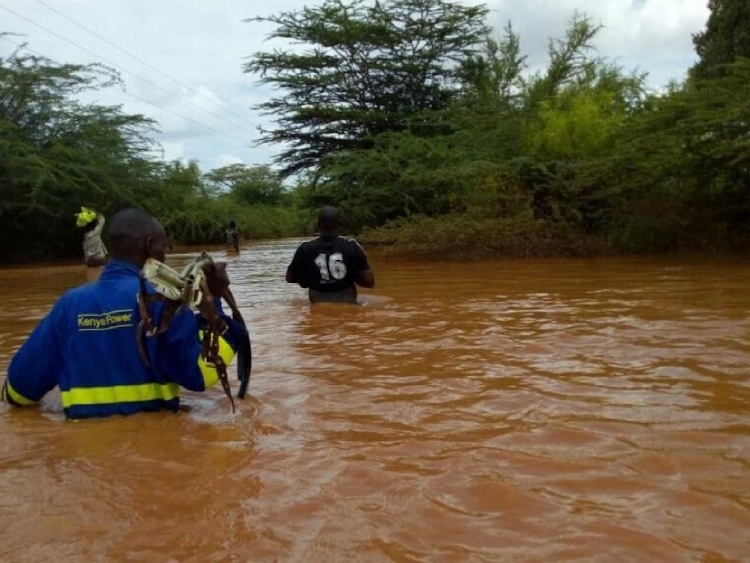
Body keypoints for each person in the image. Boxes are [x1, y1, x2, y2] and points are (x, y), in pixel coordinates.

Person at [2, 209, 243, 419]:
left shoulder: (68, 304)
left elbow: (17, 392)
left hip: (84, 460)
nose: (164, 255)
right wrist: (215, 302)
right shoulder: (162, 302)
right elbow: (201, 374)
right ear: (150, 245)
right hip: (152, 451)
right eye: (163, 246)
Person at [286, 206, 375, 304]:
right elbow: (369, 282)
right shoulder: (352, 247)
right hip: (348, 307)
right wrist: (354, 274)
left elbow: (290, 278)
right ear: (339, 225)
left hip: (319, 308)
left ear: (318, 225)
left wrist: (305, 281)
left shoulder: (305, 249)